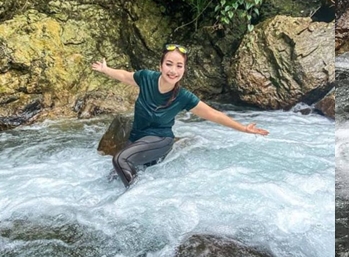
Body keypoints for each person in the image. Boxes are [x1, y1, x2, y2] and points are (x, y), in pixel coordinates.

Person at [91, 44, 269, 187]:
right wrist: (106, 69)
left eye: (179, 66)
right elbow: (125, 76)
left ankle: (136, 200)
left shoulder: (184, 97)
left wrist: (243, 129)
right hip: (136, 139)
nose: (173, 70)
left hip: (159, 140)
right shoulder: (146, 78)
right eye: (169, 64)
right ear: (161, 65)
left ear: (184, 69)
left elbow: (213, 114)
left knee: (120, 160)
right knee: (113, 179)